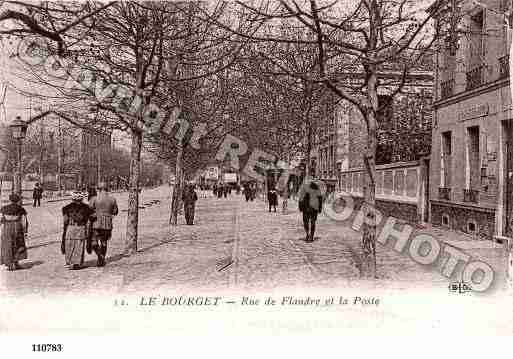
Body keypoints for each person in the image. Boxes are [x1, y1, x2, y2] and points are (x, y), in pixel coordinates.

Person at [61, 192, 94, 270]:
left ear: (72, 199)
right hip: (81, 228)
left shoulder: (66, 208)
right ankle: (77, 263)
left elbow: (65, 221)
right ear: (82, 199)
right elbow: (90, 219)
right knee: (79, 245)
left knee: (69, 244)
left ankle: (70, 262)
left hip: (70, 228)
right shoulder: (86, 208)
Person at [89, 182, 118, 267]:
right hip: (107, 223)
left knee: (93, 242)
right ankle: (101, 259)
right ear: (107, 189)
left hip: (96, 222)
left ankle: (100, 257)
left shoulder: (94, 199)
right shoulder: (112, 199)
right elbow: (115, 212)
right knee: (104, 242)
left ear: (98, 189)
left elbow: (89, 209)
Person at [1, 193, 28, 271]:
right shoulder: (21, 209)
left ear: (10, 200)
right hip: (17, 227)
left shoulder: (4, 208)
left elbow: (1, 219)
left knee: (8, 245)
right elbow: (24, 221)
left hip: (7, 227)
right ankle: (16, 263)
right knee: (18, 244)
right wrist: (25, 231)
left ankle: (9, 264)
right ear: (18, 200)